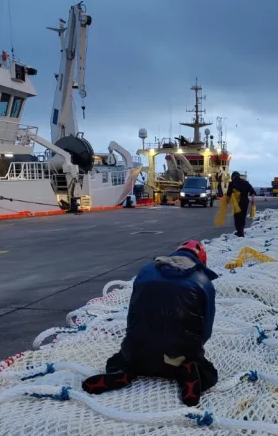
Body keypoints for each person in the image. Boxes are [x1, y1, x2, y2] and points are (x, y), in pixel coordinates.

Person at [82, 239, 218, 406]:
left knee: (117, 361)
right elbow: (206, 331)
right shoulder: (203, 280)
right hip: (177, 355)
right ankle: (186, 369)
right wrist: (194, 349)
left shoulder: (146, 270)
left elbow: (132, 315)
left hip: (139, 352)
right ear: (200, 260)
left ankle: (125, 370)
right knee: (209, 374)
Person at [225, 170, 256, 237]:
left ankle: (239, 232)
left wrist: (226, 203)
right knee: (242, 216)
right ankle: (241, 231)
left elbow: (228, 194)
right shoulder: (246, 183)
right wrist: (252, 201)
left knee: (237, 217)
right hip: (245, 202)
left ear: (233, 177)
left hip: (237, 203)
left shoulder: (232, 183)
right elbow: (252, 192)